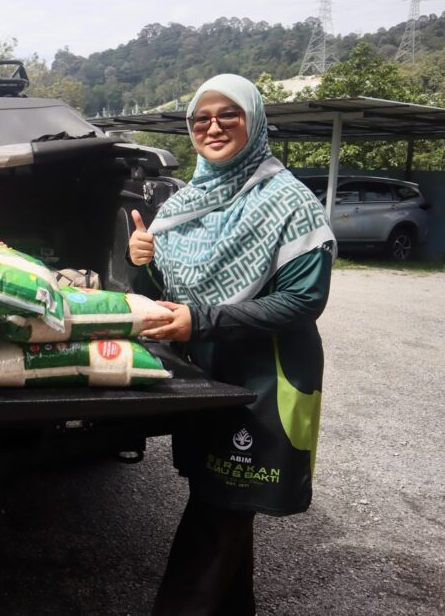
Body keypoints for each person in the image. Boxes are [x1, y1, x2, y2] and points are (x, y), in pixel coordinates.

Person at [127, 74, 336, 615]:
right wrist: (144, 262)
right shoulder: (187, 201)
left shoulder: (288, 201)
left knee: (219, 511)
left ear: (254, 121)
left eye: (228, 115)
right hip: (208, 370)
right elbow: (170, 297)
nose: (213, 126)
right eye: (202, 118)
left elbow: (303, 299)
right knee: (221, 499)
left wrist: (201, 320)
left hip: (265, 377)